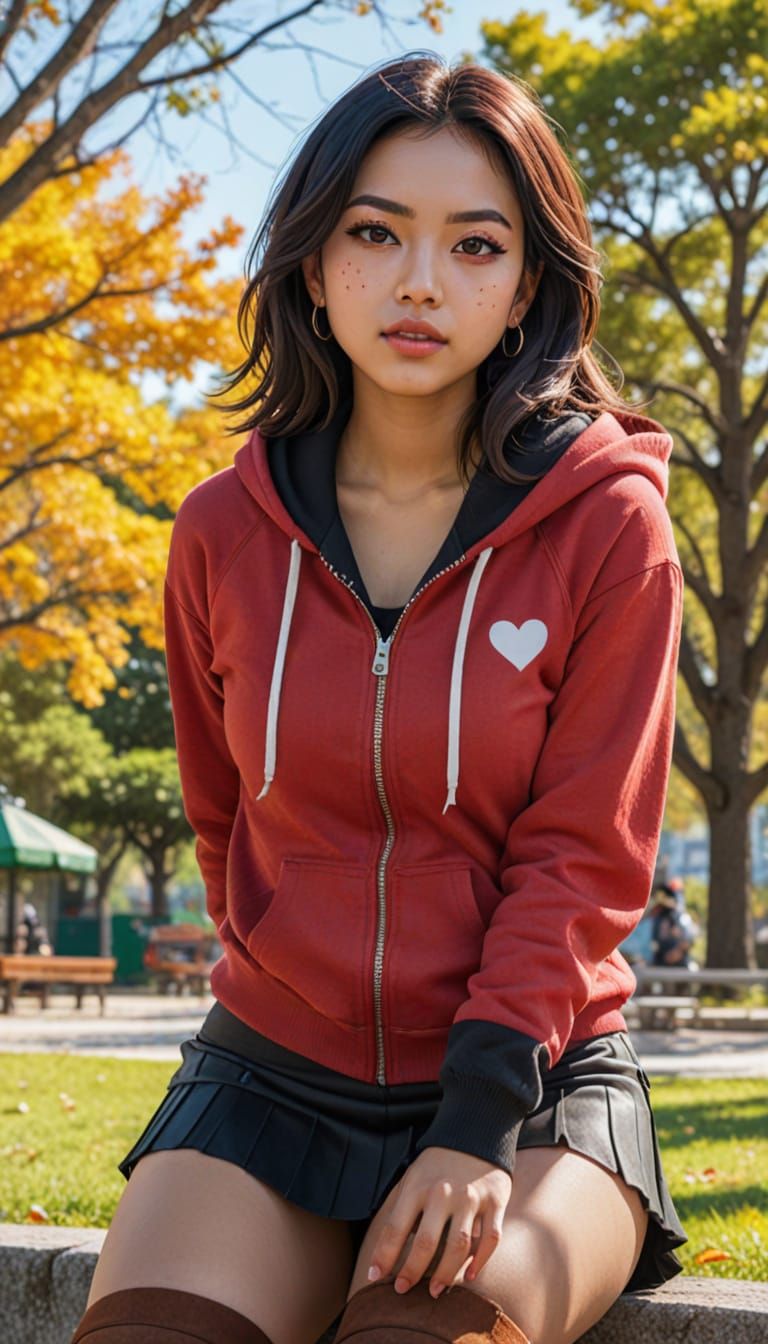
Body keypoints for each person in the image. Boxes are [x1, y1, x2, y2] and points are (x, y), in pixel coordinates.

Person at [70, 53, 688, 1344]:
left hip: (528, 1092)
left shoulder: (611, 528)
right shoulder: (218, 535)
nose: (419, 282)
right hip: (271, 1075)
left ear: (528, 285)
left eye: (475, 245)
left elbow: (581, 866)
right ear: (312, 259)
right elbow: (226, 822)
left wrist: (472, 1128)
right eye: (375, 232)